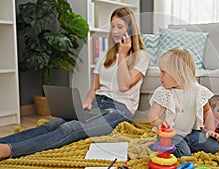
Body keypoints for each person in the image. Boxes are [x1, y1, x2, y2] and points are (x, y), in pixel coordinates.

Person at [0, 7, 149, 160]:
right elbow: (94, 89)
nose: (115, 31)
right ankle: (2, 143)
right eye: (112, 26)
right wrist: (85, 104)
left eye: (120, 27)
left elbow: (124, 86)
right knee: (51, 124)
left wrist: (123, 55)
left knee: (69, 128)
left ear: (130, 30)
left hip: (119, 110)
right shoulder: (106, 54)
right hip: (97, 103)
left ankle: (9, 150)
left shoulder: (141, 56)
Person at [147, 48, 219, 158]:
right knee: (184, 154)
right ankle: (158, 146)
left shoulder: (198, 91)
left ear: (179, 74)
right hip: (170, 135)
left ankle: (184, 145)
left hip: (191, 133)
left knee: (214, 146)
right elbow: (152, 115)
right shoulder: (163, 92)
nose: (160, 76)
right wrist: (158, 123)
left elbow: (207, 111)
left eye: (163, 72)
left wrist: (210, 130)